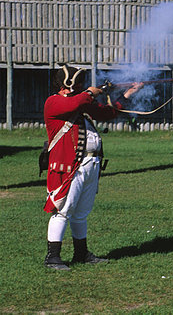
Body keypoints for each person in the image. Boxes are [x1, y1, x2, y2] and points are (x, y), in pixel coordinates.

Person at [43, 65, 143, 270]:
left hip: (90, 164)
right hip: (69, 166)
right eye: (78, 82)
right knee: (62, 210)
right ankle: (53, 257)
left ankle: (81, 253)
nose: (81, 86)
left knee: (81, 213)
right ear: (69, 83)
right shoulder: (54, 102)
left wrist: (127, 94)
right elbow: (76, 103)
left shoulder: (80, 103)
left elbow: (107, 113)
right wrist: (90, 92)